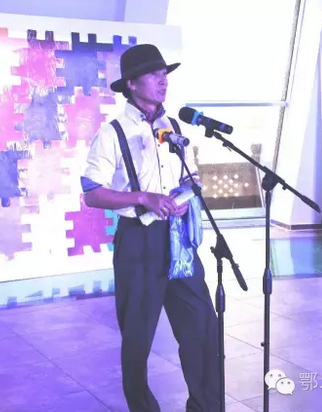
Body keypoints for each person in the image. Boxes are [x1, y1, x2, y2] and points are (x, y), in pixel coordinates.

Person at [80, 44, 220, 412]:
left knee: (202, 327)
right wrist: (143, 197)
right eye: (154, 75)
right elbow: (92, 193)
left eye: (164, 74)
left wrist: (188, 190)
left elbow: (184, 177)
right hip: (139, 243)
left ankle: (206, 407)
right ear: (131, 83)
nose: (163, 80)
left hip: (178, 239)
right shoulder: (112, 133)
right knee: (137, 340)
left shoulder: (173, 126)